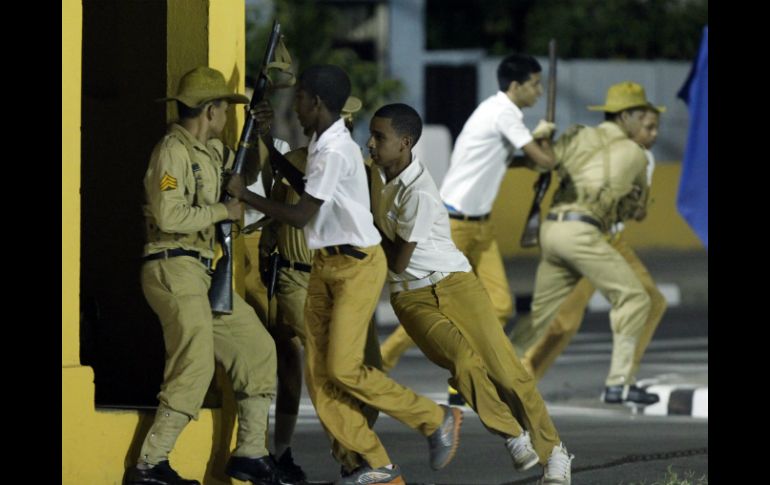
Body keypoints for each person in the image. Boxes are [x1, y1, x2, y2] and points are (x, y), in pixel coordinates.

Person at [226, 64, 463, 485]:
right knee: (319, 382)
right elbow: (306, 186)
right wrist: (269, 146)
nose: (294, 106)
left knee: (344, 369)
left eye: (299, 97)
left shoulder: (335, 149)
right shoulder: (322, 144)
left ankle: (436, 417)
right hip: (325, 266)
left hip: (356, 266)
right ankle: (378, 466)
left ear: (315, 101)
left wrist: (244, 197)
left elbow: (300, 214)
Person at [368, 103, 573, 484]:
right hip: (411, 298)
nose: (370, 143)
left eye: (380, 137)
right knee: (462, 364)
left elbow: (397, 260)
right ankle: (512, 434)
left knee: (509, 374)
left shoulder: (419, 192)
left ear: (405, 143)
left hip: (454, 283)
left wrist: (366, 218)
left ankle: (555, 451)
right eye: (371, 134)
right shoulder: (376, 176)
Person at [124, 66, 280, 485]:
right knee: (193, 360)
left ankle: (250, 452)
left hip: (203, 271)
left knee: (258, 350)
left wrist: (260, 134)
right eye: (225, 110)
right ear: (211, 110)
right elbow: (168, 213)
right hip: (172, 265)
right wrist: (221, 213)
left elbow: (243, 176)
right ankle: (149, 465)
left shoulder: (212, 152)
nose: (227, 118)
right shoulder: (171, 151)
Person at [254, 95, 384, 480]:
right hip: (298, 279)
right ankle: (353, 460)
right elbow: (275, 217)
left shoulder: (360, 170)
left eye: (346, 121)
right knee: (327, 372)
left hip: (345, 276)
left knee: (370, 369)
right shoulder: (294, 162)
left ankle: (356, 449)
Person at [511, 81, 661, 406]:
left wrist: (541, 137)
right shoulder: (637, 154)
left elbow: (539, 162)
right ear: (627, 116)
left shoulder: (578, 134)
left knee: (539, 316)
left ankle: (487, 374)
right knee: (635, 299)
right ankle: (619, 384)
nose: (650, 128)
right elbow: (636, 211)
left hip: (551, 231)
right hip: (584, 233)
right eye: (644, 118)